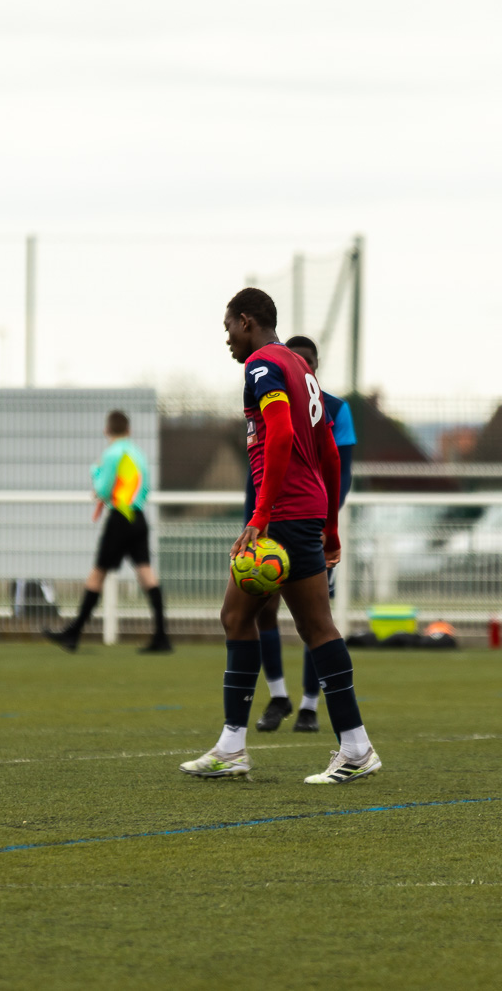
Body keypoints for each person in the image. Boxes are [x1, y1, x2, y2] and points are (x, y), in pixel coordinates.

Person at [180, 287, 380, 784]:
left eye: (228, 328)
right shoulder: (301, 367)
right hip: (306, 511)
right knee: (302, 625)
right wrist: (330, 526)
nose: (227, 340)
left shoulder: (263, 366)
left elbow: (285, 435)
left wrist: (260, 516)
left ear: (246, 322)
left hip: (284, 515)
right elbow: (330, 454)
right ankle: (341, 746)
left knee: (249, 618)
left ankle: (246, 746)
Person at [250, 334, 356, 735]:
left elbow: (337, 466)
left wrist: (329, 523)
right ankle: (277, 697)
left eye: (305, 361)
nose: (298, 365)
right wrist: (255, 515)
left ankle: (311, 705)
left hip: (298, 520)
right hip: (278, 518)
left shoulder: (332, 408)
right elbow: (258, 467)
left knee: (313, 622)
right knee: (259, 613)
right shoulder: (270, 390)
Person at [44, 410, 171, 653]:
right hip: (138, 516)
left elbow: (102, 489)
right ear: (129, 430)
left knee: (97, 574)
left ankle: (73, 634)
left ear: (107, 431)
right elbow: (145, 487)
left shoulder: (112, 453)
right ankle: (161, 637)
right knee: (147, 575)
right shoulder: (138, 453)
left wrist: (95, 471)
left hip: (120, 518)